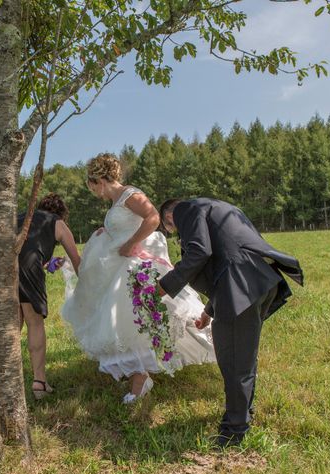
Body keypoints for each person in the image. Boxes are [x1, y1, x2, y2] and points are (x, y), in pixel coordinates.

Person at [61, 153, 216, 404]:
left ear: (98, 180)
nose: (92, 192)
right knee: (125, 321)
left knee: (147, 315)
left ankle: (217, 344)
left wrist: (132, 243)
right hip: (118, 265)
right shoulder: (115, 202)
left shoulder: (130, 194)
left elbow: (153, 217)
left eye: (91, 185)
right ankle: (138, 374)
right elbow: (125, 225)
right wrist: (108, 230)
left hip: (133, 263)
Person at [157, 197, 304, 446]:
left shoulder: (186, 209)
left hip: (241, 284)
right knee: (243, 357)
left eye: (169, 228)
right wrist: (208, 311)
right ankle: (244, 413)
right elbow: (226, 256)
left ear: (168, 217)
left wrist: (164, 286)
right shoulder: (218, 207)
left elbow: (200, 252)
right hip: (259, 281)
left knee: (234, 360)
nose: (173, 233)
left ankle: (234, 431)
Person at [18, 193, 81, 399]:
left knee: (11, 325)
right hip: (29, 269)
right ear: (60, 213)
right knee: (34, 322)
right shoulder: (58, 223)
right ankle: (39, 382)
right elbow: (77, 260)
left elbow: (26, 247)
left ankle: (2, 379)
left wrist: (48, 263)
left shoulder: (21, 217)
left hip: (3, 269)